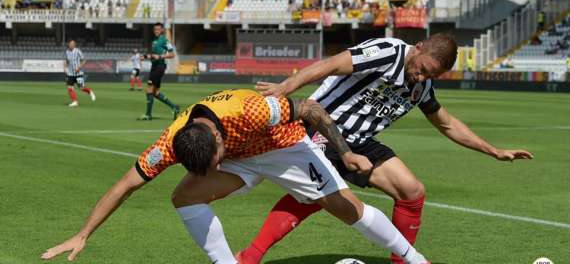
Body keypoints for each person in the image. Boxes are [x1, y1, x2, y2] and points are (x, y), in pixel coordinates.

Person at [41, 89, 431, 264]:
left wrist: (345, 153)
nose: (213, 168)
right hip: (241, 160)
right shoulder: (168, 145)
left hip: (285, 147)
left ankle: (413, 259)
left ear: (216, 138)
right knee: (184, 196)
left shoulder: (251, 110)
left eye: (214, 160)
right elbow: (125, 185)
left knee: (346, 208)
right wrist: (83, 233)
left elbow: (311, 109)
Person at [237, 34, 533, 264]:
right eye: (423, 69)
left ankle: (402, 259)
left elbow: (447, 124)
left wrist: (493, 151)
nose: (422, 77)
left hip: (361, 141)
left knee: (412, 192)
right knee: (314, 196)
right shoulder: (388, 51)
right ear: (418, 48)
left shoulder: (421, 87)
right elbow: (331, 64)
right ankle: (249, 256)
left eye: (432, 76)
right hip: (322, 127)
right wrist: (286, 87)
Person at [138, 23, 179, 120]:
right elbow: (154, 55)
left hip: (160, 66)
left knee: (149, 89)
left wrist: (160, 56)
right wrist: (145, 56)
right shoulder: (154, 42)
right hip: (154, 66)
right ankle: (174, 107)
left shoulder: (164, 40)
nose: (156, 31)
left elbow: (172, 54)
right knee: (155, 92)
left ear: (162, 30)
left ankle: (148, 115)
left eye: (158, 29)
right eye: (155, 29)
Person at [64, 39, 96, 107]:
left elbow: (84, 60)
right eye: (70, 44)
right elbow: (67, 61)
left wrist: (79, 67)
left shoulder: (78, 51)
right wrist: (65, 67)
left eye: (73, 44)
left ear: (74, 45)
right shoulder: (67, 52)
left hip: (78, 73)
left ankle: (90, 92)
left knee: (81, 88)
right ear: (69, 45)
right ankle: (75, 102)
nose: (72, 45)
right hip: (71, 74)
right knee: (70, 88)